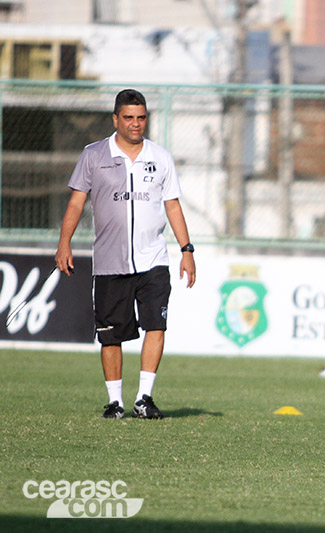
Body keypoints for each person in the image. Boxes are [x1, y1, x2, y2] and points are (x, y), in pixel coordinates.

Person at [55, 89, 196, 420]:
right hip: (109, 261)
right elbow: (77, 202)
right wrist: (65, 242)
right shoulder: (93, 155)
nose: (136, 124)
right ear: (115, 119)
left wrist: (186, 249)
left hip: (153, 260)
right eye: (129, 117)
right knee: (111, 335)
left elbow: (172, 204)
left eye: (142, 117)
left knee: (156, 324)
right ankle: (115, 402)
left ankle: (144, 397)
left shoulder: (160, 157)